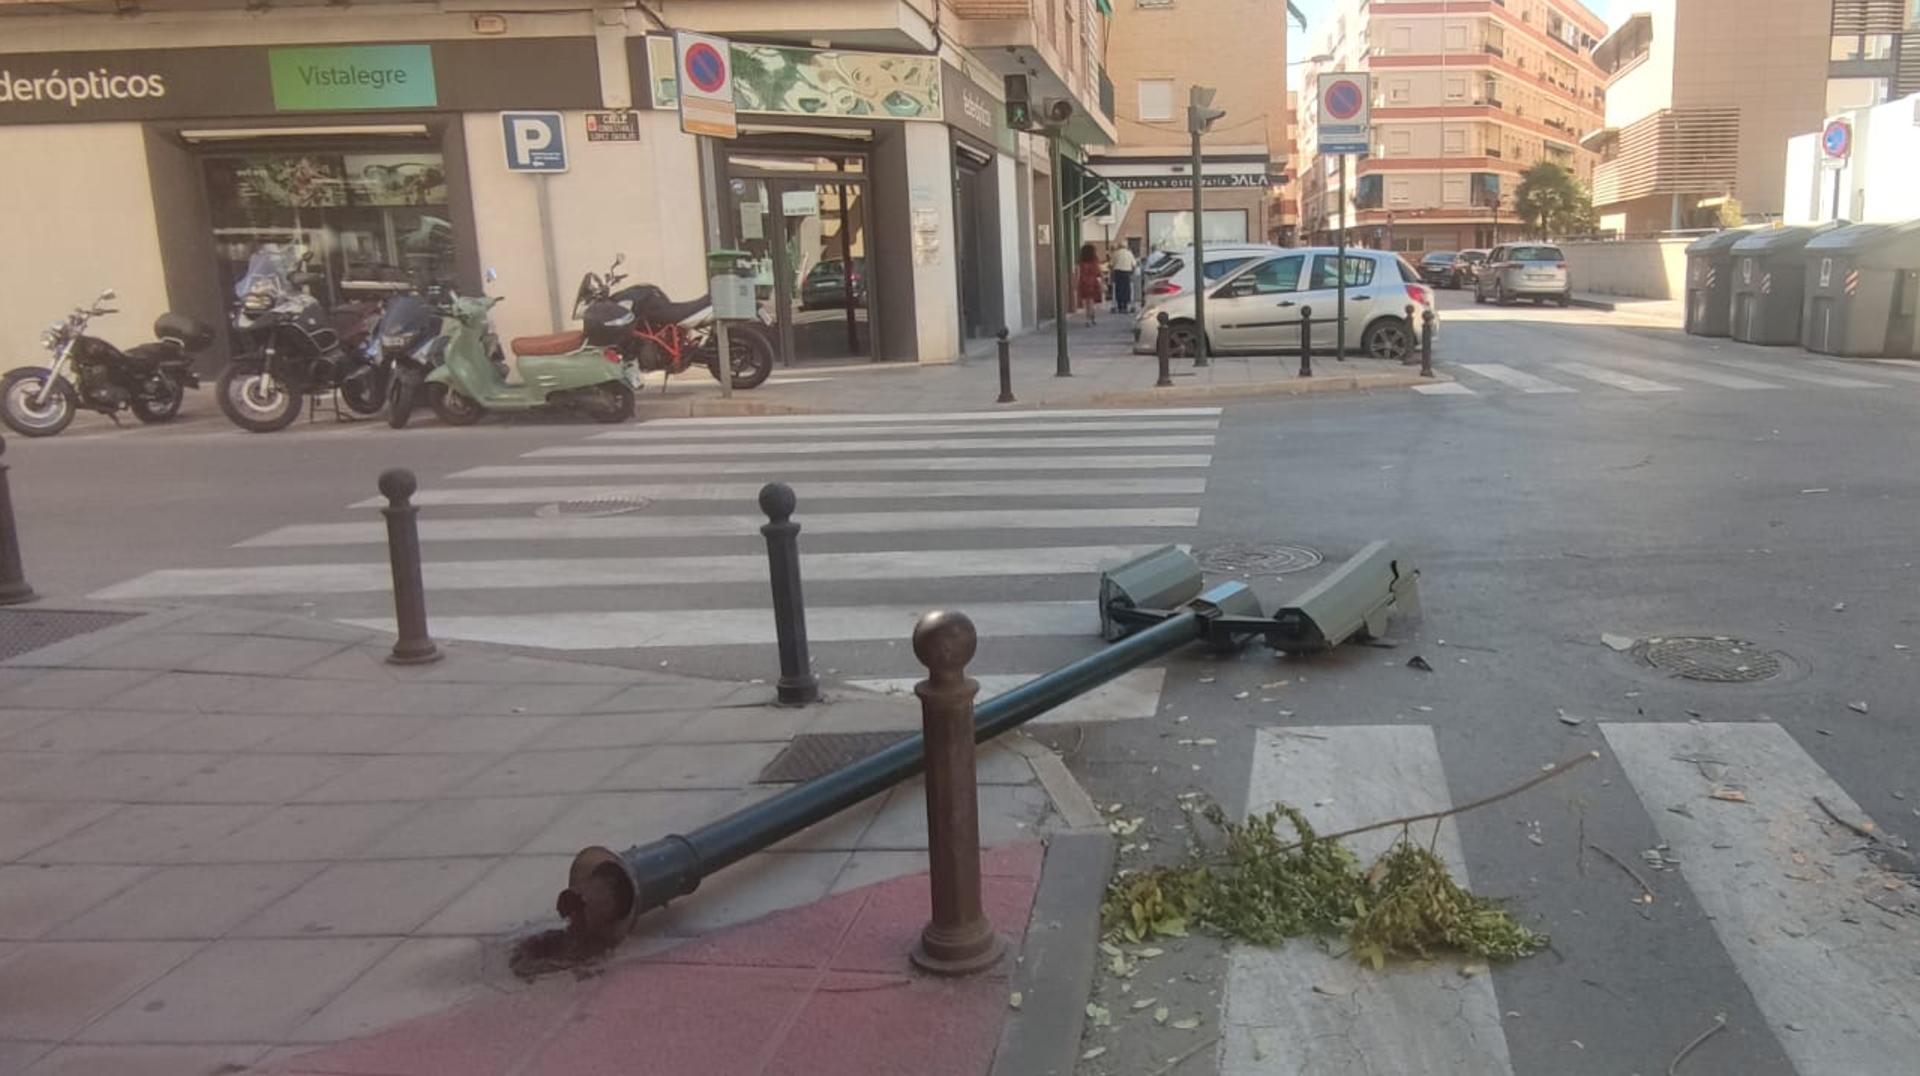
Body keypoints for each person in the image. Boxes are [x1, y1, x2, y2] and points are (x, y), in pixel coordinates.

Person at [1076, 243, 1103, 326]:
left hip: (1083, 282)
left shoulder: (1081, 261)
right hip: (1093, 282)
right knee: (1092, 301)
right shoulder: (1095, 260)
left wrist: (1077, 282)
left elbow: (1078, 272)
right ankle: (1092, 317)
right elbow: (1098, 271)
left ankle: (1087, 318)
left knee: (1086, 301)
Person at [1109, 241, 1137, 314]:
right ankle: (1125, 306)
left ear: (1119, 246)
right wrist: (1132, 273)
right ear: (1126, 246)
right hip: (1127, 273)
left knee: (1119, 289)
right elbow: (1134, 265)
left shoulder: (1116, 253)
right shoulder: (1129, 253)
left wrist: (1112, 274)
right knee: (1126, 290)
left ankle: (1119, 306)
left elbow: (1111, 265)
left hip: (1118, 273)